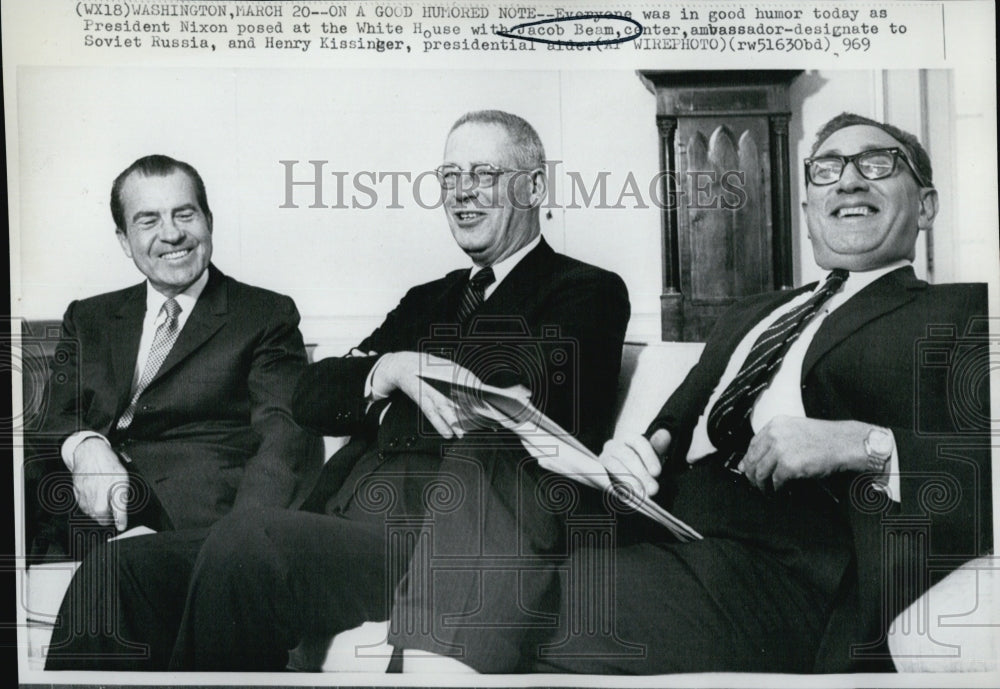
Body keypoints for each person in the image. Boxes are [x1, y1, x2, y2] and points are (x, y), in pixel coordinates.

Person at [390, 113, 992, 674]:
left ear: (927, 205)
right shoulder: (751, 313)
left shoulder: (964, 313)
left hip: (778, 564)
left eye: (878, 164)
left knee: (481, 601)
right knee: (490, 461)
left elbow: (988, 471)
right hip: (655, 523)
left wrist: (865, 445)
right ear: (808, 205)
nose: (849, 182)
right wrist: (637, 454)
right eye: (828, 170)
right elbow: (671, 429)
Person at [60, 110, 630, 671]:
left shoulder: (587, 290)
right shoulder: (428, 297)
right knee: (120, 569)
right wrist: (390, 369)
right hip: (340, 522)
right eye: (449, 179)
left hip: (438, 539)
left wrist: (389, 367)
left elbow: (514, 391)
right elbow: (312, 397)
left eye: (482, 175)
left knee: (251, 540)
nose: (462, 195)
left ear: (534, 187)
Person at [41, 154, 322, 669]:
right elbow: (56, 417)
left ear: (209, 223)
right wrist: (88, 448)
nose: (171, 234)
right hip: (88, 521)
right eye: (148, 220)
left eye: (184, 215)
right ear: (125, 241)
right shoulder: (91, 317)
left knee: (115, 580)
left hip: (203, 531)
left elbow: (287, 434)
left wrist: (238, 548)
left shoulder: (263, 314)